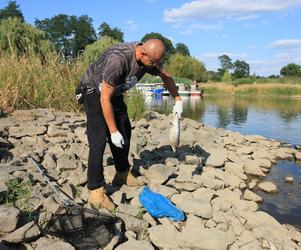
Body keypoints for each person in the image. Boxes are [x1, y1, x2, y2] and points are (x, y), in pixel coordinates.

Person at [76, 38, 183, 210]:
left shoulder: (150, 59)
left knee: (124, 129)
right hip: (93, 91)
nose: (155, 66)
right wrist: (112, 131)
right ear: (142, 53)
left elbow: (166, 76)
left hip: (113, 93)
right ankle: (95, 190)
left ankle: (122, 173)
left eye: (158, 62)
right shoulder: (118, 60)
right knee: (98, 138)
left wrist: (177, 99)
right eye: (153, 62)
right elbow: (104, 98)